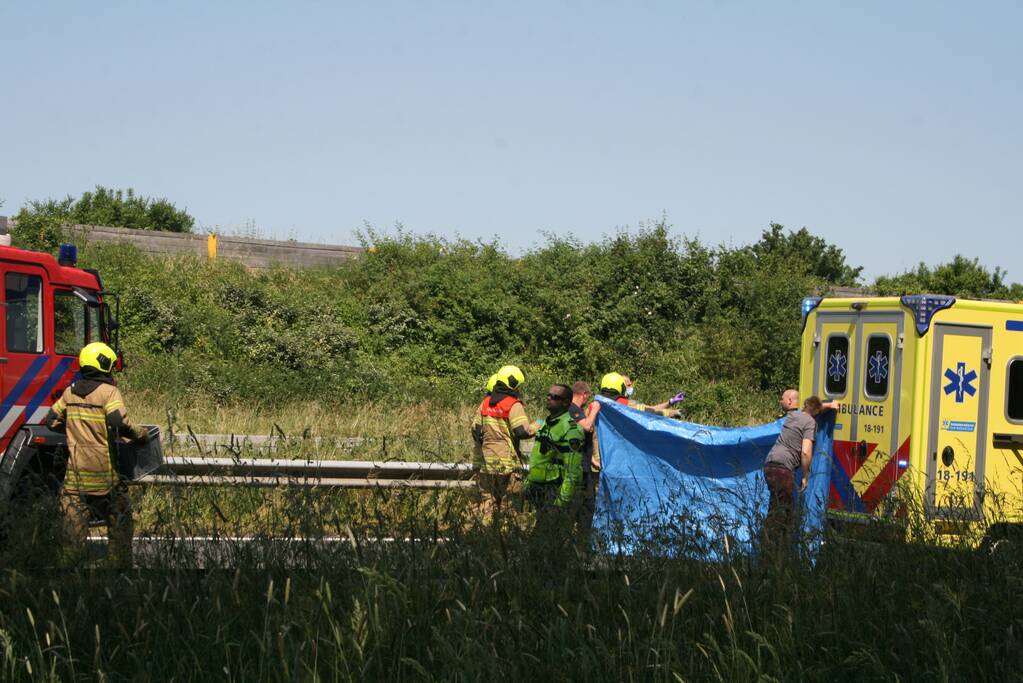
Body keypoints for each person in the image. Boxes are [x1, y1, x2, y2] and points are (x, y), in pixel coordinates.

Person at [45, 342, 150, 568]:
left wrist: (74, 430)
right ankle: (115, 574)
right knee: (120, 528)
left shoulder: (69, 392)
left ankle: (65, 585)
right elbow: (117, 422)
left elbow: (51, 421)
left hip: (75, 481)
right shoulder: (108, 392)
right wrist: (140, 435)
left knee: (70, 547)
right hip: (105, 479)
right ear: (103, 365)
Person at [761, 389, 836, 555]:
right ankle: (774, 552)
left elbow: (814, 407)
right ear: (816, 413)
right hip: (783, 469)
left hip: (769, 465)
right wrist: (806, 475)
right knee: (784, 513)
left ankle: (769, 548)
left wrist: (829, 404)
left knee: (776, 507)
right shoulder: (810, 422)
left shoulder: (793, 416)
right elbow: (806, 452)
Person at [470, 365, 539, 521]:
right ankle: (507, 539)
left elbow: (476, 431)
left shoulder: (486, 403)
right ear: (514, 384)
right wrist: (537, 425)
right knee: (510, 506)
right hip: (507, 466)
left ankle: (487, 537)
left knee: (488, 504)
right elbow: (521, 432)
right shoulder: (513, 405)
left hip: (486, 464)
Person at [522, 384, 585, 521]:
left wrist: (560, 504)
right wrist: (528, 484)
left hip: (554, 492)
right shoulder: (546, 423)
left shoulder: (571, 429)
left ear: (566, 402)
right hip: (537, 490)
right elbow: (539, 457)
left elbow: (573, 472)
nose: (549, 398)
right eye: (548, 395)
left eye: (555, 397)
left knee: (550, 537)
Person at [568, 381, 599, 532]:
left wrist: (592, 458)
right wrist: (594, 411)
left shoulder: (576, 410)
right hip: (577, 468)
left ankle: (579, 539)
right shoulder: (572, 409)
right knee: (583, 505)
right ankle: (579, 540)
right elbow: (586, 426)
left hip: (583, 465)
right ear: (584, 394)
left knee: (586, 505)